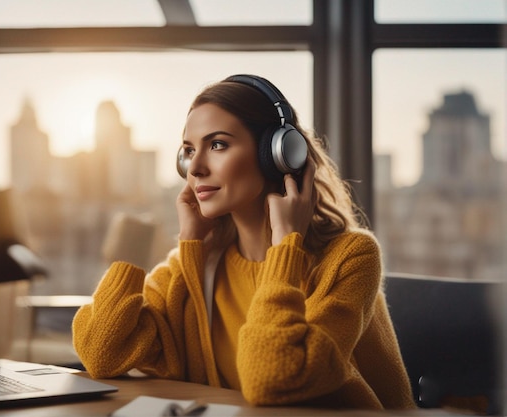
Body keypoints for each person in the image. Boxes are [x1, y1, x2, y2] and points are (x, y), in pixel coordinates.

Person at [72, 74, 416, 409]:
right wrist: (150, 252)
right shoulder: (197, 263)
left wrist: (286, 246)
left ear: (278, 154)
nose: (195, 169)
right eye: (189, 151)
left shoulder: (351, 256)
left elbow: (274, 379)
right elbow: (101, 353)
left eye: (218, 144)